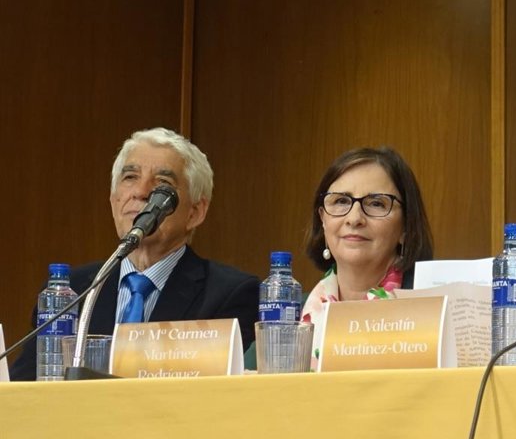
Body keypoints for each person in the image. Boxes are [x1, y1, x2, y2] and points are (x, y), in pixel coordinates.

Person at [10, 128, 258, 380]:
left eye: (163, 184)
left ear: (195, 212)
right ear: (114, 200)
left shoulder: (229, 294)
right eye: (130, 177)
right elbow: (25, 384)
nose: (140, 192)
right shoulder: (74, 291)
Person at [300, 147, 434, 362]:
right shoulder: (291, 315)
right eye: (341, 201)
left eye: (376, 204)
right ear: (323, 220)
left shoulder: (431, 313)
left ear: (406, 227)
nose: (354, 219)